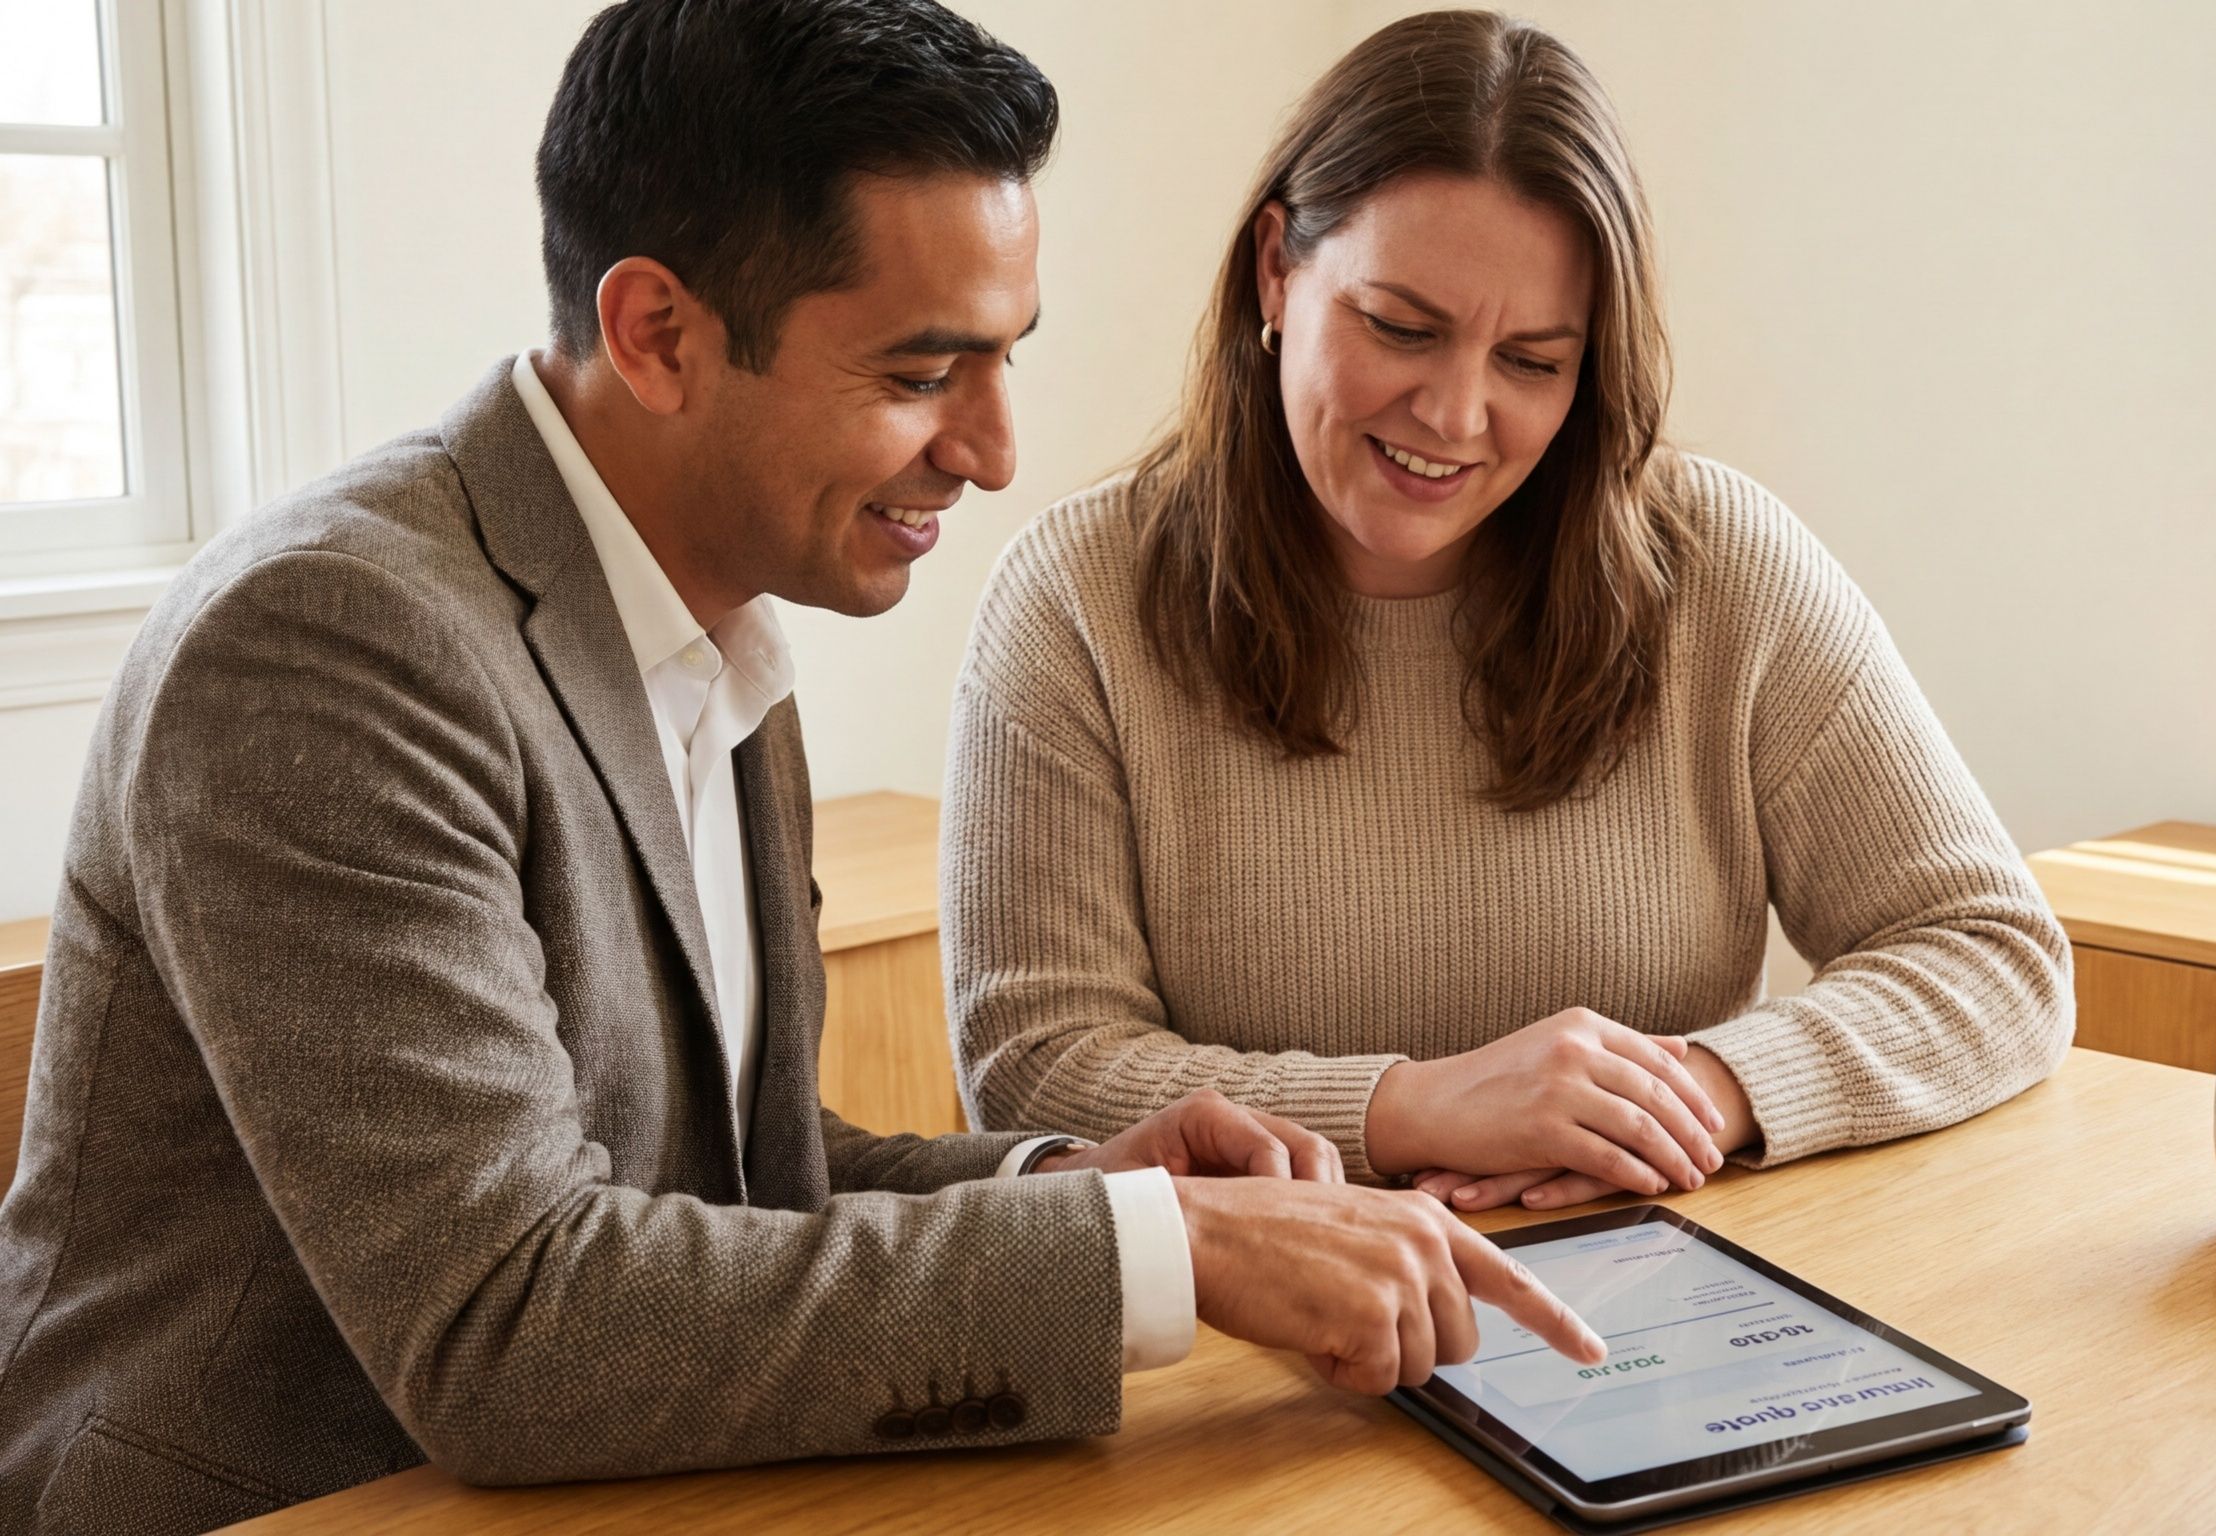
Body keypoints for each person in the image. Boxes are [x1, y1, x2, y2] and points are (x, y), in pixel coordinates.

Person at [0, 4, 1600, 1530]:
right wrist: (1159, 1252)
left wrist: (1073, 1183)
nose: (990, 451)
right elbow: (512, 1324)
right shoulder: (331, 644)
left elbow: (739, 1181)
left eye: (1000, 361)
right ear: (657, 333)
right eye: (919, 377)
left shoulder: (715, 622)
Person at [943, 9, 2074, 1215]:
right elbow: (1036, 1073)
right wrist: (1420, 1109)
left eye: (1532, 360)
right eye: (1400, 328)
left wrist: (1682, 1095)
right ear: (1277, 265)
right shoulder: (1076, 601)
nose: (1455, 415)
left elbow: (1991, 953)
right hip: (1262, 1332)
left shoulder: (1718, 566)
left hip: (1652, 1305)